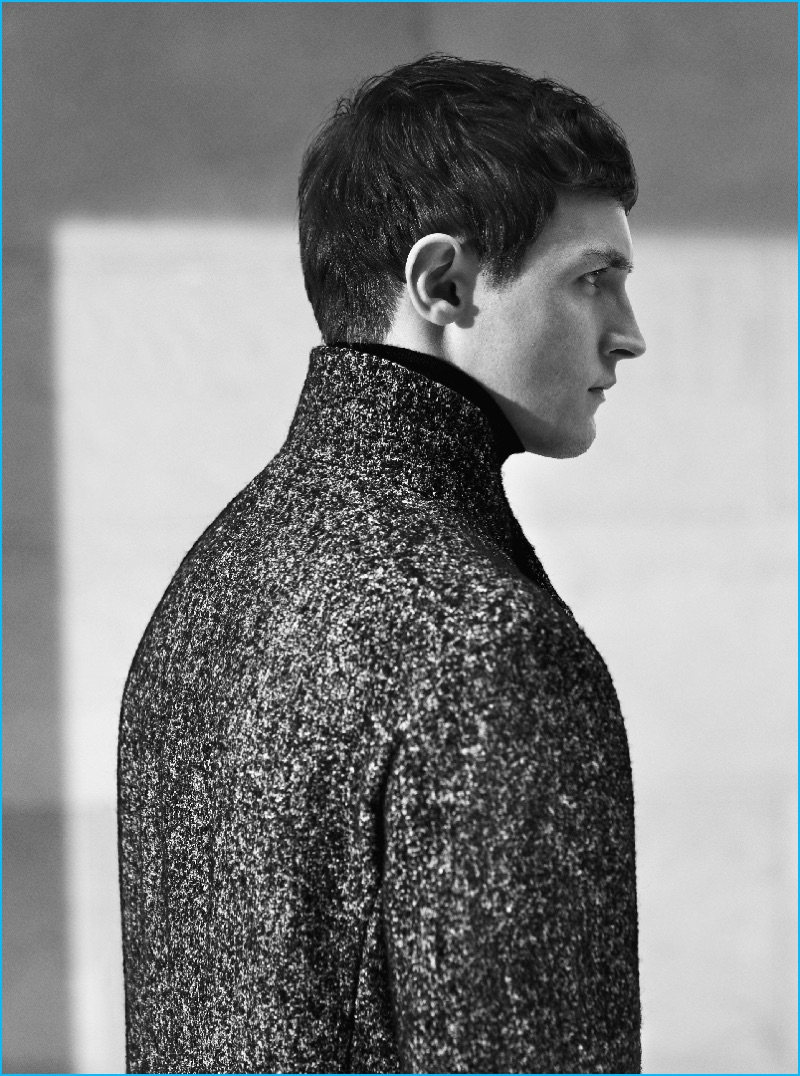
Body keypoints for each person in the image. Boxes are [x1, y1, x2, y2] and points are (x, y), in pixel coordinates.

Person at [118, 54, 647, 1074]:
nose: (628, 335)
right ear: (442, 283)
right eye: (592, 279)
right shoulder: (487, 646)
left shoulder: (215, 578)